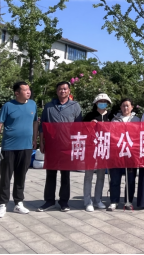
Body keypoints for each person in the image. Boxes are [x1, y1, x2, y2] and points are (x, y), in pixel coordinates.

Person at [0, 81, 38, 218]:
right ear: (17, 93)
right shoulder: (8, 106)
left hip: (26, 147)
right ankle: (2, 205)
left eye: (29, 89)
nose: (28, 91)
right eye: (25, 90)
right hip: (9, 147)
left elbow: (35, 122)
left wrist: (35, 139)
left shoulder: (33, 104)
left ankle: (18, 203)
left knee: (21, 176)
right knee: (6, 176)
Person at [37, 81, 83, 212]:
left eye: (65, 89)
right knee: (50, 173)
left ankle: (64, 202)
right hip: (52, 145)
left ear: (69, 91)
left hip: (67, 146)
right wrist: (41, 143)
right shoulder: (49, 106)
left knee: (65, 175)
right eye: (60, 89)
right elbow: (42, 126)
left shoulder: (75, 106)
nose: (62, 91)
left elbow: (79, 127)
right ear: (57, 91)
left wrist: (77, 145)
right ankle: (49, 201)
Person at [82, 93, 112, 212]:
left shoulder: (111, 116)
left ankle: (98, 199)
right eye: (100, 101)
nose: (102, 103)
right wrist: (90, 125)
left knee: (101, 175)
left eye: (105, 101)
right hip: (91, 148)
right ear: (96, 103)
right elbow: (81, 130)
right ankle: (87, 201)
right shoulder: (90, 116)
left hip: (104, 148)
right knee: (88, 175)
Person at [108, 98, 140, 211]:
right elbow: (111, 136)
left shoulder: (136, 120)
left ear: (132, 107)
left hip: (131, 154)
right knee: (115, 178)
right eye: (123, 106)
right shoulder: (114, 120)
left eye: (128, 106)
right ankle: (114, 201)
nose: (125, 108)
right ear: (120, 107)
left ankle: (128, 201)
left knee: (130, 179)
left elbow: (139, 136)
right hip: (117, 153)